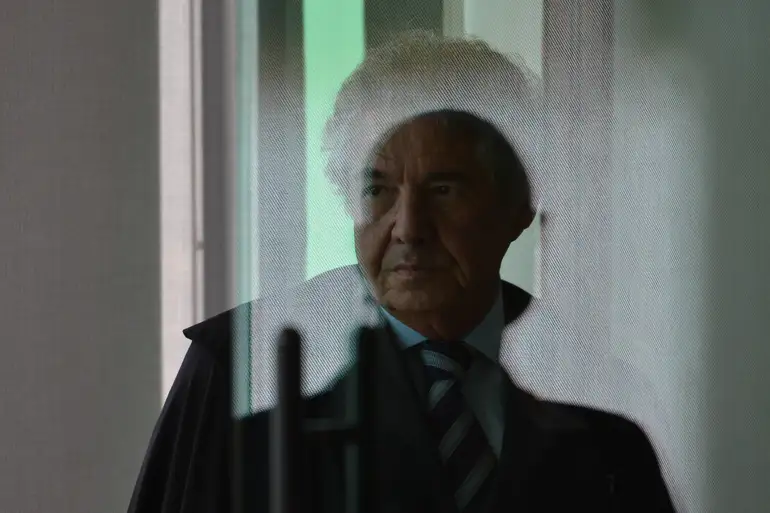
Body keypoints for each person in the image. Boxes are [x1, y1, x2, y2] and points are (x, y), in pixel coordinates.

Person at [128, 34, 676, 513]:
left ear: (519, 207)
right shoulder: (242, 369)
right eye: (378, 190)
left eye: (444, 189)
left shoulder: (597, 395)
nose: (409, 228)